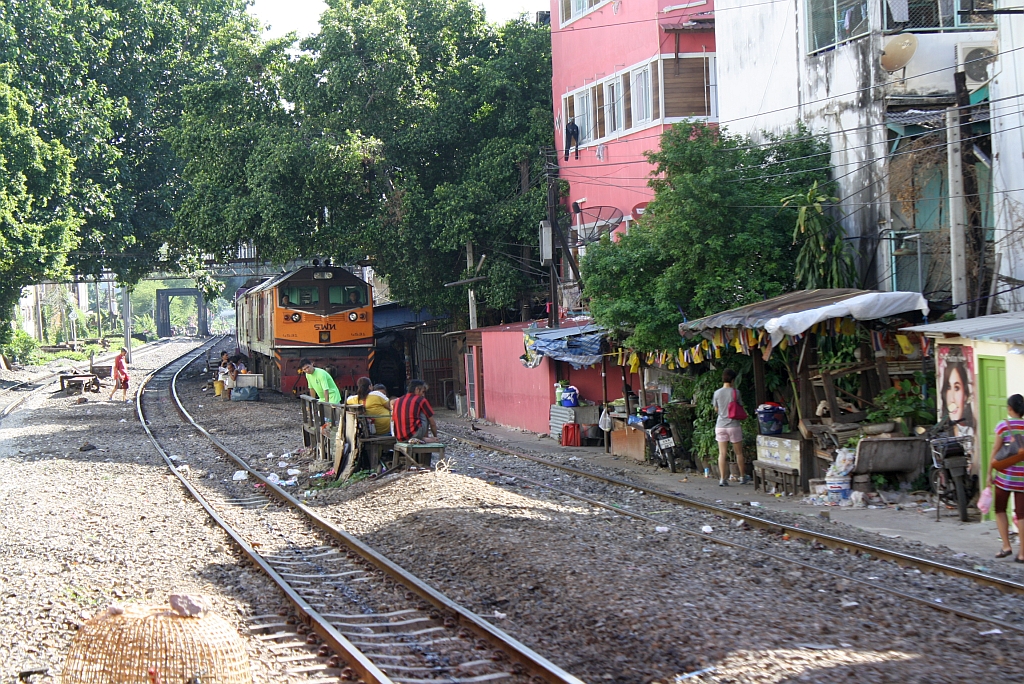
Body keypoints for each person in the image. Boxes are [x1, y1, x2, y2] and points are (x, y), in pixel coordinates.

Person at [989, 394, 1024, 561]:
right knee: (1022, 514)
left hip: (1005, 477)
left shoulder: (1003, 425)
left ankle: (1006, 546)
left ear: (1010, 409)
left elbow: (995, 450)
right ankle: (1023, 553)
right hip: (1023, 478)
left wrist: (989, 472)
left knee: (1000, 509)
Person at [712, 368, 747, 486]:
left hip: (720, 426)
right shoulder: (736, 392)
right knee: (738, 453)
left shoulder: (717, 393)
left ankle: (722, 479)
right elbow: (740, 405)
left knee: (722, 453)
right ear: (732, 380)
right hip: (734, 425)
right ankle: (742, 477)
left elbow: (716, 409)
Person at [940, 360, 974, 438]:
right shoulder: (943, 431)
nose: (952, 399)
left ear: (965, 395)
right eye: (948, 387)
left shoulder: (969, 433)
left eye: (957, 388)